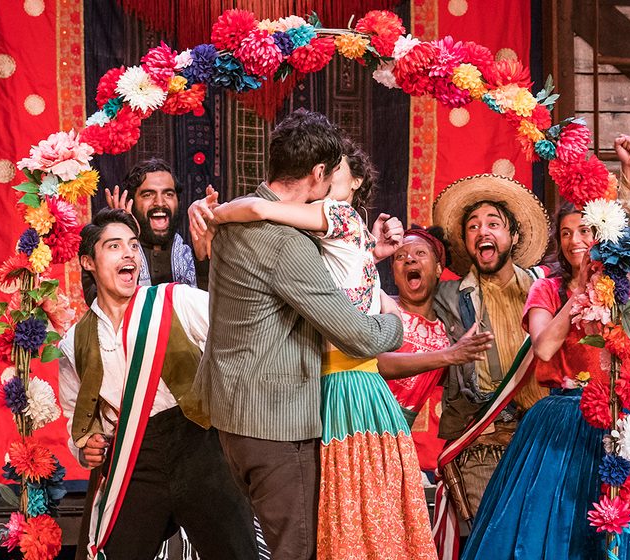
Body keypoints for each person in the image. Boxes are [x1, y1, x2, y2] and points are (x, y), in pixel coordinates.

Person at [194, 141, 439, 559]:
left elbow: (260, 209)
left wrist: (218, 213)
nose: (326, 180)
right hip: (304, 397)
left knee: (344, 512)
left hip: (341, 384)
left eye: (339, 170)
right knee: (335, 518)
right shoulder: (327, 229)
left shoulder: (335, 217)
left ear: (353, 180)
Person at [431, 135, 630, 540]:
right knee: (495, 537)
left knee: (556, 534)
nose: (483, 232)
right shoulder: (446, 296)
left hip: (538, 430)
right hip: (483, 435)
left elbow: (617, 251)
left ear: (513, 236)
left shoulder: (546, 283)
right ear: (464, 241)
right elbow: (407, 304)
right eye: (473, 226)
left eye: (493, 224)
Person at [461, 195, 630, 559]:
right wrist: (579, 294)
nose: (573, 241)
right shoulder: (548, 290)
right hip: (561, 423)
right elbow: (544, 349)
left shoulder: (623, 297)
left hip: (617, 426)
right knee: (554, 527)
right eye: (565, 233)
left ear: (601, 235)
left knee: (614, 530)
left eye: (583, 231)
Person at [58, 209, 256, 560]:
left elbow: (238, 329)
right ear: (88, 262)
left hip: (199, 447)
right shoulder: (75, 342)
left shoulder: (175, 300)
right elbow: (78, 418)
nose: (129, 254)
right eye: (114, 246)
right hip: (134, 461)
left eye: (133, 246)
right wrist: (84, 448)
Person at [378, 227, 494, 473]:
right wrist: (448, 356)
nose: (409, 258)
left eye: (420, 253)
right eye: (400, 256)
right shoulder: (382, 306)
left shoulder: (446, 332)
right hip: (358, 423)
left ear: (439, 269)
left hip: (396, 438)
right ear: (395, 275)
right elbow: (377, 365)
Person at [103, 158, 206, 287]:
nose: (160, 202)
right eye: (148, 195)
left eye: (168, 194)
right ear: (131, 203)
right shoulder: (104, 256)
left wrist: (202, 261)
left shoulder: (192, 258)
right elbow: (103, 300)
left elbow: (212, 303)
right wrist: (122, 233)